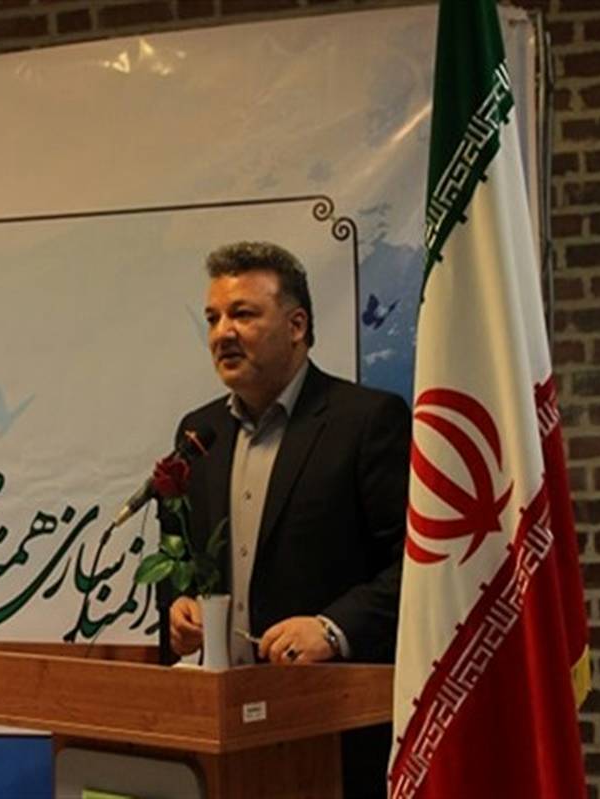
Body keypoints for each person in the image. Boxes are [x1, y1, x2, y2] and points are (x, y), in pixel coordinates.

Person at [160, 241, 410, 798]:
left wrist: (332, 629)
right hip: (222, 740)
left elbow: (416, 567)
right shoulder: (199, 434)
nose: (222, 333)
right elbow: (177, 558)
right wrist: (178, 610)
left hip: (332, 734)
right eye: (213, 318)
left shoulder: (367, 421)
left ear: (296, 326)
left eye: (243, 314)